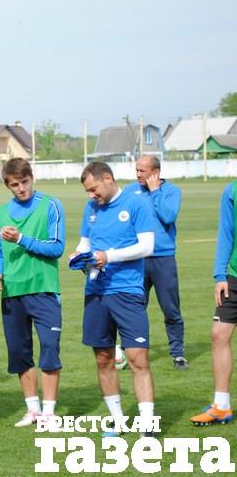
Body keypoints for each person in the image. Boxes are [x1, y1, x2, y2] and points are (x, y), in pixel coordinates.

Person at [72, 162, 157, 436]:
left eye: (93, 189)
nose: (91, 195)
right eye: (88, 191)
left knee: (137, 358)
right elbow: (86, 242)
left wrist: (109, 256)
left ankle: (147, 425)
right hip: (95, 292)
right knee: (103, 358)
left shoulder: (136, 204)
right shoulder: (91, 208)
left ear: (107, 178)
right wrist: (79, 254)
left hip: (127, 291)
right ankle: (118, 420)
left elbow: (147, 246)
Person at [0, 158, 64, 427]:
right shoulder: (0, 214)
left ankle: (49, 413)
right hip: (12, 292)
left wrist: (21, 239)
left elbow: (57, 247)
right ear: (7, 186)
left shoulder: (51, 205)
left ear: (32, 178)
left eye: (24, 182)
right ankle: (33, 410)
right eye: (15, 185)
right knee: (19, 352)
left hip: (44, 289)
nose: (21, 188)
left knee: (49, 347)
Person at [124, 155, 188, 369]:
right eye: (137, 170)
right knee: (134, 308)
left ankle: (178, 353)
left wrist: (155, 192)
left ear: (156, 172)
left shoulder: (171, 191)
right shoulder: (130, 191)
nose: (138, 174)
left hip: (163, 259)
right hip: (137, 259)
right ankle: (131, 352)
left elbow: (168, 216)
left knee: (171, 309)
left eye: (142, 171)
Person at [189, 182, 237, 425]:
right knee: (219, 334)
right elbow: (226, 232)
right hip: (234, 276)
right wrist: (220, 275)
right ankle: (221, 406)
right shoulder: (232, 190)